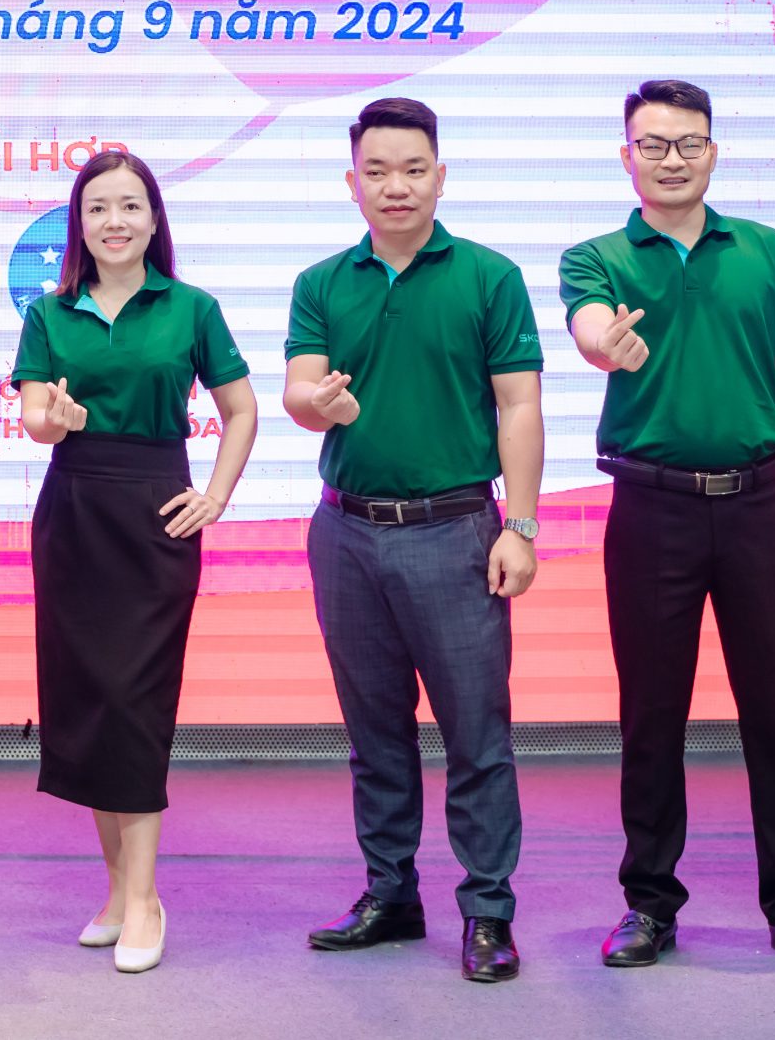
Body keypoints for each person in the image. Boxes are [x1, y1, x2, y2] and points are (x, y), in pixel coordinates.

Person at [559, 78, 775, 978]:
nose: (672, 160)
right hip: (650, 510)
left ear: (713, 152)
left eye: (688, 143)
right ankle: (649, 903)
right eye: (653, 145)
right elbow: (587, 328)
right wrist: (604, 342)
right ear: (627, 157)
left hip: (760, 504)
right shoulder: (597, 256)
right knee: (652, 714)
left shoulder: (767, 251)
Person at [283, 98, 543, 983]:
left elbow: (519, 404)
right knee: (375, 733)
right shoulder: (322, 283)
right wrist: (319, 403)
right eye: (378, 171)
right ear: (351, 182)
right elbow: (298, 391)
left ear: (441, 176)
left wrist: (520, 525)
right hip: (346, 533)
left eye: (413, 169)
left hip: (456, 531)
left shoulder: (489, 277)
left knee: (477, 733)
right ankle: (390, 893)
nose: (395, 185)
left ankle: (488, 910)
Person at [12, 150, 258, 974]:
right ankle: (119, 891)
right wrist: (59, 417)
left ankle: (147, 898)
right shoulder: (50, 313)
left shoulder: (192, 308)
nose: (113, 221)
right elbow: (35, 420)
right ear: (78, 225)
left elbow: (241, 409)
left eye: (128, 206)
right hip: (73, 512)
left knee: (136, 705)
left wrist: (215, 496)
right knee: (89, 705)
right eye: (97, 209)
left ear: (154, 219)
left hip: (156, 512)